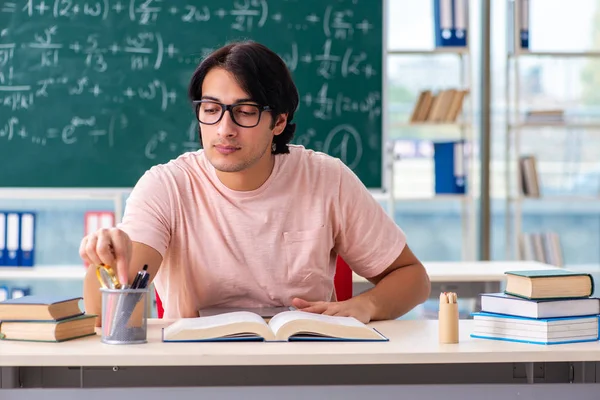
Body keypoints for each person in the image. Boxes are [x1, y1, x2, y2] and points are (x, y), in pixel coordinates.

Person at [80, 40, 430, 326]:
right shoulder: (166, 186)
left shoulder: (327, 178)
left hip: (307, 364)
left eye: (244, 111)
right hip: (194, 369)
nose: (224, 129)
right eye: (211, 109)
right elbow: (112, 300)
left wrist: (364, 306)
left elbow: (412, 277)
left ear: (278, 121)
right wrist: (108, 260)